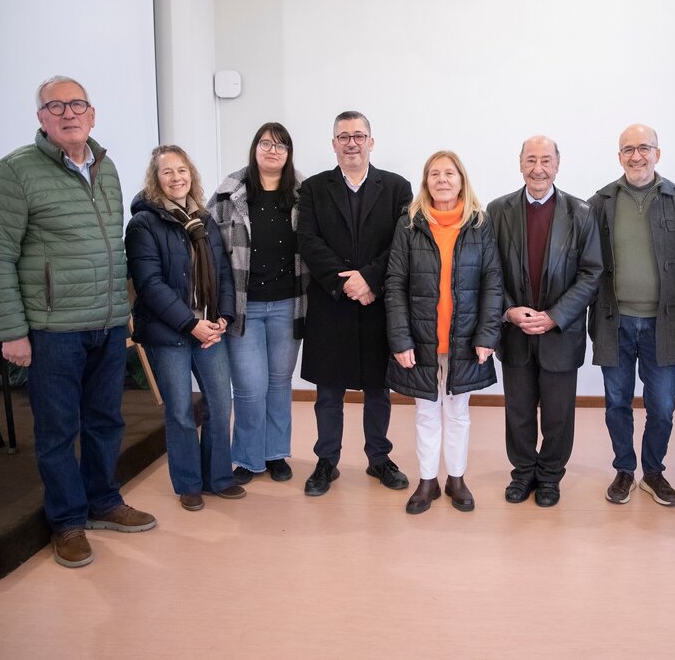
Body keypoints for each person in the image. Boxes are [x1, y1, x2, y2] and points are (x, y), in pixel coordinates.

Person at [0, 75, 156, 568]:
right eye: (55, 106)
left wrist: (124, 309)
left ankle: (103, 502)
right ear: (41, 119)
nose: (68, 113)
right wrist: (11, 331)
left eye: (77, 104)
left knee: (106, 421)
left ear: (92, 114)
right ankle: (67, 521)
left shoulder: (109, 167)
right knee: (57, 431)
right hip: (52, 330)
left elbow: (112, 248)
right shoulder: (14, 172)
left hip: (108, 322)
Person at [297, 111, 412, 496]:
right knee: (329, 392)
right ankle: (326, 461)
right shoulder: (313, 189)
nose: (351, 143)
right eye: (343, 136)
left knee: (379, 389)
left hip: (378, 304)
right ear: (333, 144)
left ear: (371, 142)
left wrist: (370, 279)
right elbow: (309, 242)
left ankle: (379, 458)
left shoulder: (398, 188)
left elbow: (402, 243)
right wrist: (347, 283)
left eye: (358, 135)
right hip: (332, 305)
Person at [126, 146, 244, 511]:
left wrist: (223, 316)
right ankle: (189, 484)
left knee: (220, 404)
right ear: (155, 179)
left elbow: (222, 271)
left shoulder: (203, 219)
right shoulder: (144, 224)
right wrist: (191, 324)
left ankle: (218, 477)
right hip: (170, 335)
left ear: (191, 174)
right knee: (179, 410)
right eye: (167, 172)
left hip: (209, 329)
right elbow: (150, 285)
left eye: (182, 170)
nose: (177, 178)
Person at [587, 124, 675, 507]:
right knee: (617, 402)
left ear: (658, 153)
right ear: (619, 156)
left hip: (663, 324)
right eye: (628, 149)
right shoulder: (599, 201)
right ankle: (624, 469)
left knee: (663, 406)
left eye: (644, 148)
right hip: (612, 321)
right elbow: (588, 266)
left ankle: (653, 472)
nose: (637, 156)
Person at [385, 151, 503, 514]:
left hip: (464, 339)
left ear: (461, 180)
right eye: (434, 174)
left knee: (458, 412)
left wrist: (487, 336)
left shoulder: (479, 225)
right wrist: (401, 339)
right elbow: (395, 283)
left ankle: (456, 478)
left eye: (449, 173)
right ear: (426, 183)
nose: (442, 180)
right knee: (425, 411)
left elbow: (492, 283)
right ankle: (426, 481)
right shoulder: (409, 224)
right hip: (422, 340)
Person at [487, 135, 602, 507]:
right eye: (531, 160)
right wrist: (507, 310)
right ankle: (522, 474)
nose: (539, 168)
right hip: (515, 331)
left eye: (546, 160)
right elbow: (490, 271)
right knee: (518, 412)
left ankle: (550, 477)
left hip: (560, 334)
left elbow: (591, 273)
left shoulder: (581, 213)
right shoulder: (497, 211)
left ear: (558, 164)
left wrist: (555, 316)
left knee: (558, 415)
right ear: (520, 164)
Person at [208, 123, 305, 485]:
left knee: (279, 384)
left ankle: (275, 453)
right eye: (266, 143)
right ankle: (248, 458)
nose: (272, 151)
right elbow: (209, 249)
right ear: (255, 148)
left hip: (287, 304)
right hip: (243, 307)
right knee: (249, 388)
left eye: (281, 145)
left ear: (288, 153)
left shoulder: (302, 192)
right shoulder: (229, 191)